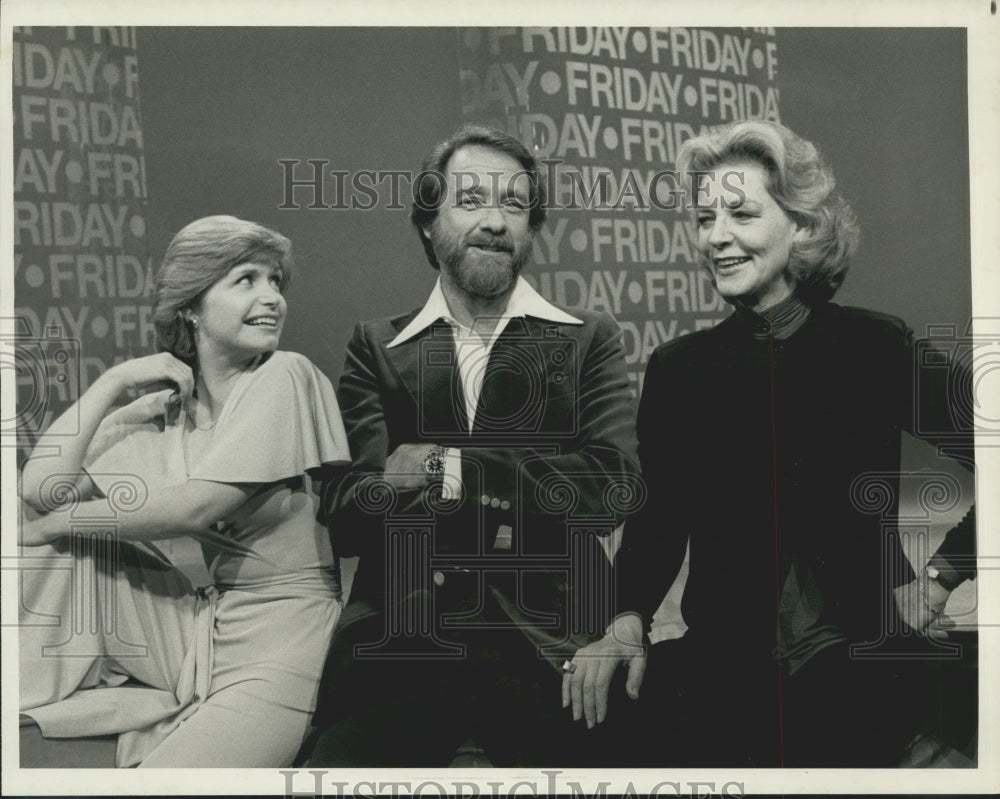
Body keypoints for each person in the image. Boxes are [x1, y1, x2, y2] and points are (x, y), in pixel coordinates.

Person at [567, 120, 977, 767]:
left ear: (803, 226)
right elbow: (656, 522)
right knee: (582, 713)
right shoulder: (679, 370)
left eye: (741, 212)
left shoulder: (876, 347)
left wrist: (940, 576)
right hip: (724, 672)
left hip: (867, 663)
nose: (717, 236)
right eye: (705, 218)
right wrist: (625, 620)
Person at [302, 125, 640, 767]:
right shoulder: (378, 345)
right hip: (404, 630)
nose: (495, 221)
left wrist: (443, 466)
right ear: (428, 224)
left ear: (533, 228)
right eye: (471, 200)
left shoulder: (586, 339)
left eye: (514, 205)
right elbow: (347, 504)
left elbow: (609, 485)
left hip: (553, 634)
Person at [18, 215, 351, 767]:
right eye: (246, 279)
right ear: (191, 308)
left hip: (286, 638)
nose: (271, 297)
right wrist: (115, 383)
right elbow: (39, 490)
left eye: (275, 281)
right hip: (199, 630)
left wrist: (59, 522)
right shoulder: (167, 411)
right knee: (37, 523)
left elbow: (198, 507)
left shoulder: (284, 376)